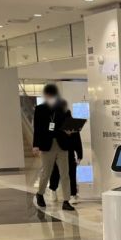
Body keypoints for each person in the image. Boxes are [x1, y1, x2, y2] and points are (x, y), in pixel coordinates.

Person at [32, 83, 75, 211]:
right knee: (46, 172)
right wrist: (36, 145)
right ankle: (40, 194)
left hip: (62, 144)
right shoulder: (40, 109)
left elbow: (70, 125)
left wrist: (70, 131)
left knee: (65, 173)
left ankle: (66, 200)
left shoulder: (64, 109)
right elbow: (37, 129)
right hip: (47, 145)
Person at [48, 108, 83, 203]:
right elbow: (49, 136)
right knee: (56, 172)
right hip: (57, 152)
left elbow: (77, 140)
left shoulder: (72, 124)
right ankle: (53, 189)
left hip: (69, 152)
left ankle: (73, 194)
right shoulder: (53, 123)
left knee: (71, 173)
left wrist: (79, 155)